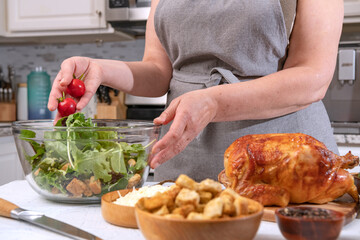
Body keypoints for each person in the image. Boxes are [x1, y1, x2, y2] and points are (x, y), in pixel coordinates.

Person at [48, 0, 343, 182]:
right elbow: (158, 71)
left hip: (284, 162)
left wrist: (213, 102)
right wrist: (100, 69)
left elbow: (313, 77)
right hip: (185, 163)